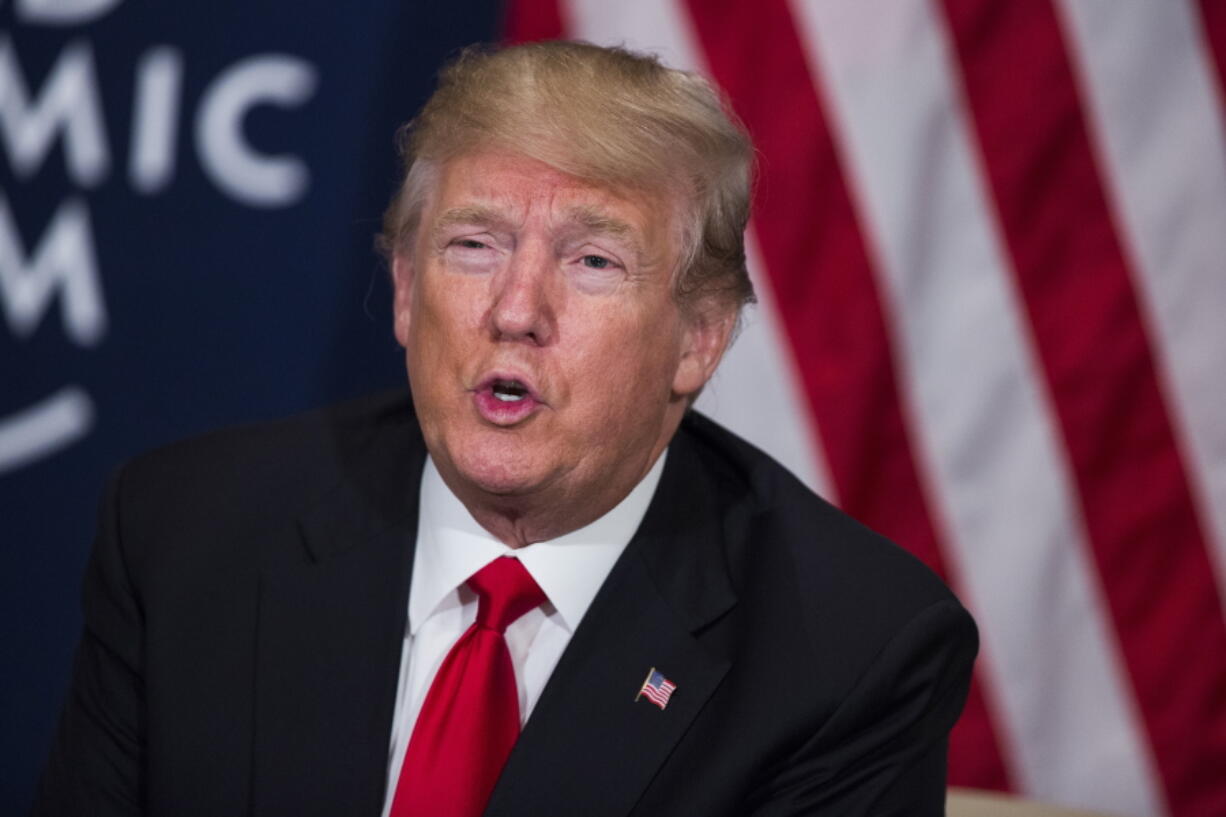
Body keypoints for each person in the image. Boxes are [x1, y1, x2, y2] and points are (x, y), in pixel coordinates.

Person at [34, 41, 977, 817]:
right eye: (474, 245)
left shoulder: (847, 650)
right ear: (406, 290)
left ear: (699, 339)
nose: (516, 308)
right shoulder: (189, 532)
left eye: (594, 260)